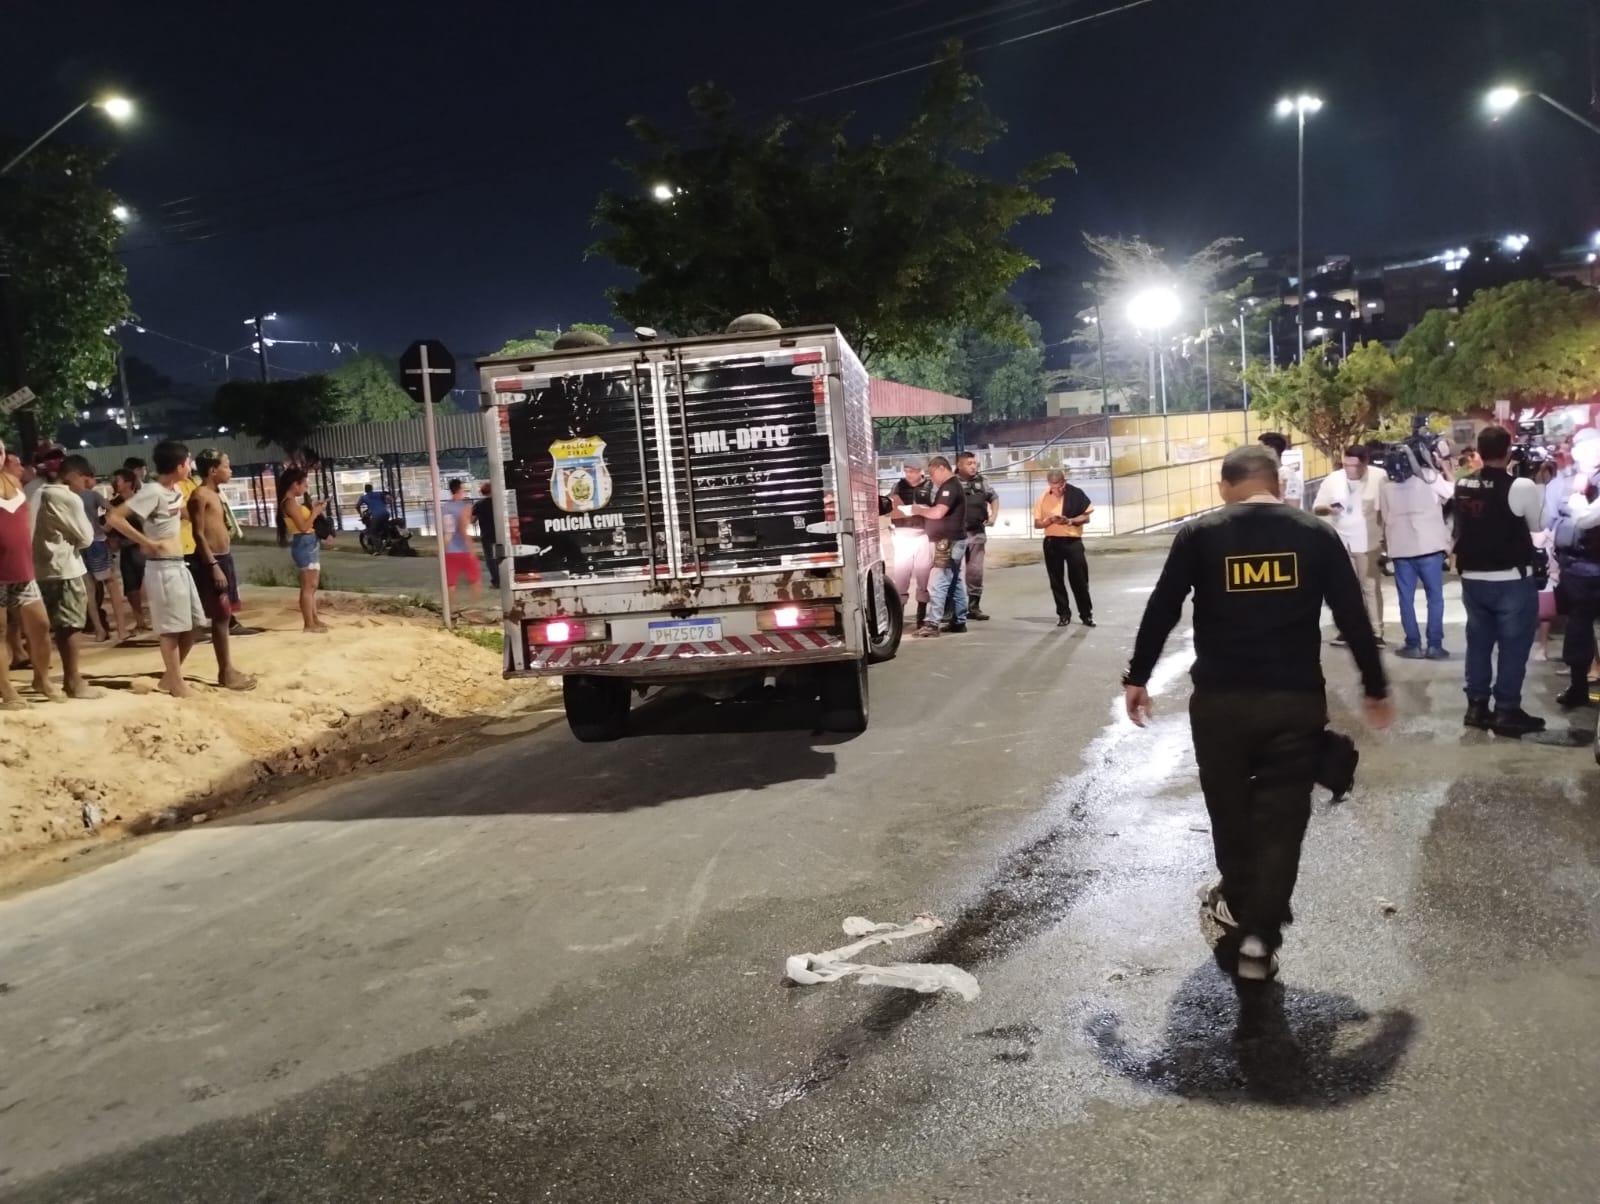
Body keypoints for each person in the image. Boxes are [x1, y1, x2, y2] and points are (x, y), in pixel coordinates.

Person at [1122, 445, 1393, 984]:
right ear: (1279, 484)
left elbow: (1163, 606)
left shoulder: (1201, 535)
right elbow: (1351, 613)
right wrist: (1375, 685)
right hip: (1293, 701)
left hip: (1221, 703)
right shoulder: (1315, 535)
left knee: (1229, 809)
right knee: (1283, 819)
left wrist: (1138, 676)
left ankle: (1241, 902)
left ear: (1225, 486)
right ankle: (1259, 936)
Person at [1451, 425, 1546, 735]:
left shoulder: (1462, 483)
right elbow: (1537, 525)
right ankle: (1506, 710)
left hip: (1473, 578)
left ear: (1479, 450)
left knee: (1478, 643)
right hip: (1510, 579)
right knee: (1513, 647)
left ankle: (1476, 706)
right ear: (1508, 451)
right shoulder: (1520, 485)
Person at [104, 441, 209, 696]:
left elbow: (177, 513)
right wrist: (146, 542)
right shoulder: (153, 491)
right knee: (171, 630)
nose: (190, 466)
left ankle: (169, 679)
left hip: (179, 565)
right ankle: (176, 683)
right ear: (179, 466)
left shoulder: (175, 490)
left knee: (194, 624)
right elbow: (114, 517)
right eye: (188, 462)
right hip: (163, 568)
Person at [30, 452, 101, 700]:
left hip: (38, 569)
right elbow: (86, 538)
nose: (85, 485)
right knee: (70, 625)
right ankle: (73, 680)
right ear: (73, 475)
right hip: (65, 568)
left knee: (41, 627)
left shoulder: (36, 492)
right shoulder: (68, 498)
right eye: (84, 479)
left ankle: (41, 677)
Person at [1377, 441, 1454, 659]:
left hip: (1401, 549)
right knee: (1435, 598)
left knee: (1406, 599)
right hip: (1430, 548)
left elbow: (1384, 516)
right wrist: (1444, 466)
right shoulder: (1428, 477)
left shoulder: (1385, 485)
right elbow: (1452, 491)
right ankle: (1434, 645)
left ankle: (1413, 644)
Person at [187, 449, 256, 691]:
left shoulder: (215, 493)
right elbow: (198, 534)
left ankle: (227, 668)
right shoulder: (199, 496)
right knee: (219, 617)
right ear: (212, 470)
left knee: (225, 616)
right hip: (212, 562)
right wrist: (213, 566)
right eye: (226, 466)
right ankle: (225, 672)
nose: (231, 470)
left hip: (223, 558)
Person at [0, 438, 57, 707]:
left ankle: (41, 678)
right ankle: (6, 689)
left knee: (41, 625)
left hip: (22, 569)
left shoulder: (14, 482)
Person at [1312, 446, 1384, 646]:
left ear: (1365, 463)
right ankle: (1349, 630)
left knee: (1370, 587)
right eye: (1346, 465)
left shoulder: (1379, 477)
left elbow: (1387, 508)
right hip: (1341, 542)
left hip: (1368, 542)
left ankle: (1376, 631)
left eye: (1355, 466)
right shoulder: (1333, 478)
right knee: (1346, 589)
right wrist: (1328, 509)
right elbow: (1317, 507)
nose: (1350, 470)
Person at [61, 458, 130, 643]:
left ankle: (99, 630)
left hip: (77, 546)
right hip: (97, 542)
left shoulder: (65, 497)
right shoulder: (91, 495)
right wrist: (106, 529)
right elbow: (114, 512)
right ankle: (122, 630)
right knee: (112, 585)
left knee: (89, 591)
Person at [909, 456, 967, 637]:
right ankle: (959, 620)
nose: (932, 478)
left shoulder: (950, 487)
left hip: (948, 542)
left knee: (939, 582)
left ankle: (932, 623)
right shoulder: (950, 486)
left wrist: (919, 510)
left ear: (942, 468)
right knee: (955, 582)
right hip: (952, 540)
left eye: (933, 473)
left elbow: (939, 512)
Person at [1034, 469, 1095, 628]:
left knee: (1079, 579)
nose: (1057, 490)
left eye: (1060, 486)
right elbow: (1037, 523)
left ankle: (1086, 614)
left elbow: (1086, 517)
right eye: (1053, 487)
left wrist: (1069, 521)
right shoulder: (1043, 497)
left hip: (1072, 541)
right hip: (1052, 542)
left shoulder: (1076, 494)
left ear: (1064, 482)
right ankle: (1063, 614)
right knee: (1056, 580)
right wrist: (1049, 521)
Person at [278, 467, 328, 634]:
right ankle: (309, 624)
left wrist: (313, 510)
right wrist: (315, 513)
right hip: (304, 543)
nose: (306, 488)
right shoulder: (289, 503)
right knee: (308, 586)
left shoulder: (291, 502)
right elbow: (303, 526)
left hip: (308, 543)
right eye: (304, 485)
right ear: (295, 484)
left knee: (312, 586)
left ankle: (314, 619)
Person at [885, 463, 935, 628]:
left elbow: (937, 507)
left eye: (912, 471)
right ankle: (898, 616)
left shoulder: (930, 487)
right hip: (902, 534)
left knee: (924, 576)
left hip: (923, 534)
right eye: (906, 471)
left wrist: (922, 510)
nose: (909, 475)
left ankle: (922, 616)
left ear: (920, 471)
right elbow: (890, 506)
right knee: (901, 576)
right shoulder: (898, 486)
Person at [954, 452, 999, 622]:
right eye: (969, 463)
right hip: (956, 534)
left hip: (977, 532)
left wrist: (993, 516)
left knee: (975, 571)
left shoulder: (982, 481)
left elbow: (994, 497)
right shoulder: (952, 483)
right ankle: (952, 609)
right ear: (960, 465)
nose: (973, 466)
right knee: (951, 571)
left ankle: (974, 607)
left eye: (975, 463)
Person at [109, 468, 148, 633]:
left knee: (148, 586)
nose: (114, 483)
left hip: (142, 547)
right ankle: (140, 621)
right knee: (131, 587)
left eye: (117, 480)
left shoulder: (141, 500)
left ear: (128, 482)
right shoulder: (113, 503)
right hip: (126, 548)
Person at [441, 478, 482, 606]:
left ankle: (451, 607)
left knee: (451, 582)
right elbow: (464, 530)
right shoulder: (465, 508)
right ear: (460, 490)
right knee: (474, 579)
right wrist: (472, 548)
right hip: (464, 549)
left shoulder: (444, 508)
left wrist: (443, 548)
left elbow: (445, 531)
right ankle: (476, 604)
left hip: (449, 550)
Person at [1259, 432, 1303, 509]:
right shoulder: (1264, 475)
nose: (1257, 453)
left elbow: (1293, 507)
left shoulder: (1286, 474)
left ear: (1272, 450)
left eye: (1260, 449)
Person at [472, 481, 500, 590]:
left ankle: (496, 581)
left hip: (486, 535)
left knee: (490, 558)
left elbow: (472, 520)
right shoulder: (499, 502)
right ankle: (505, 578)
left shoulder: (479, 504)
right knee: (501, 556)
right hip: (500, 533)